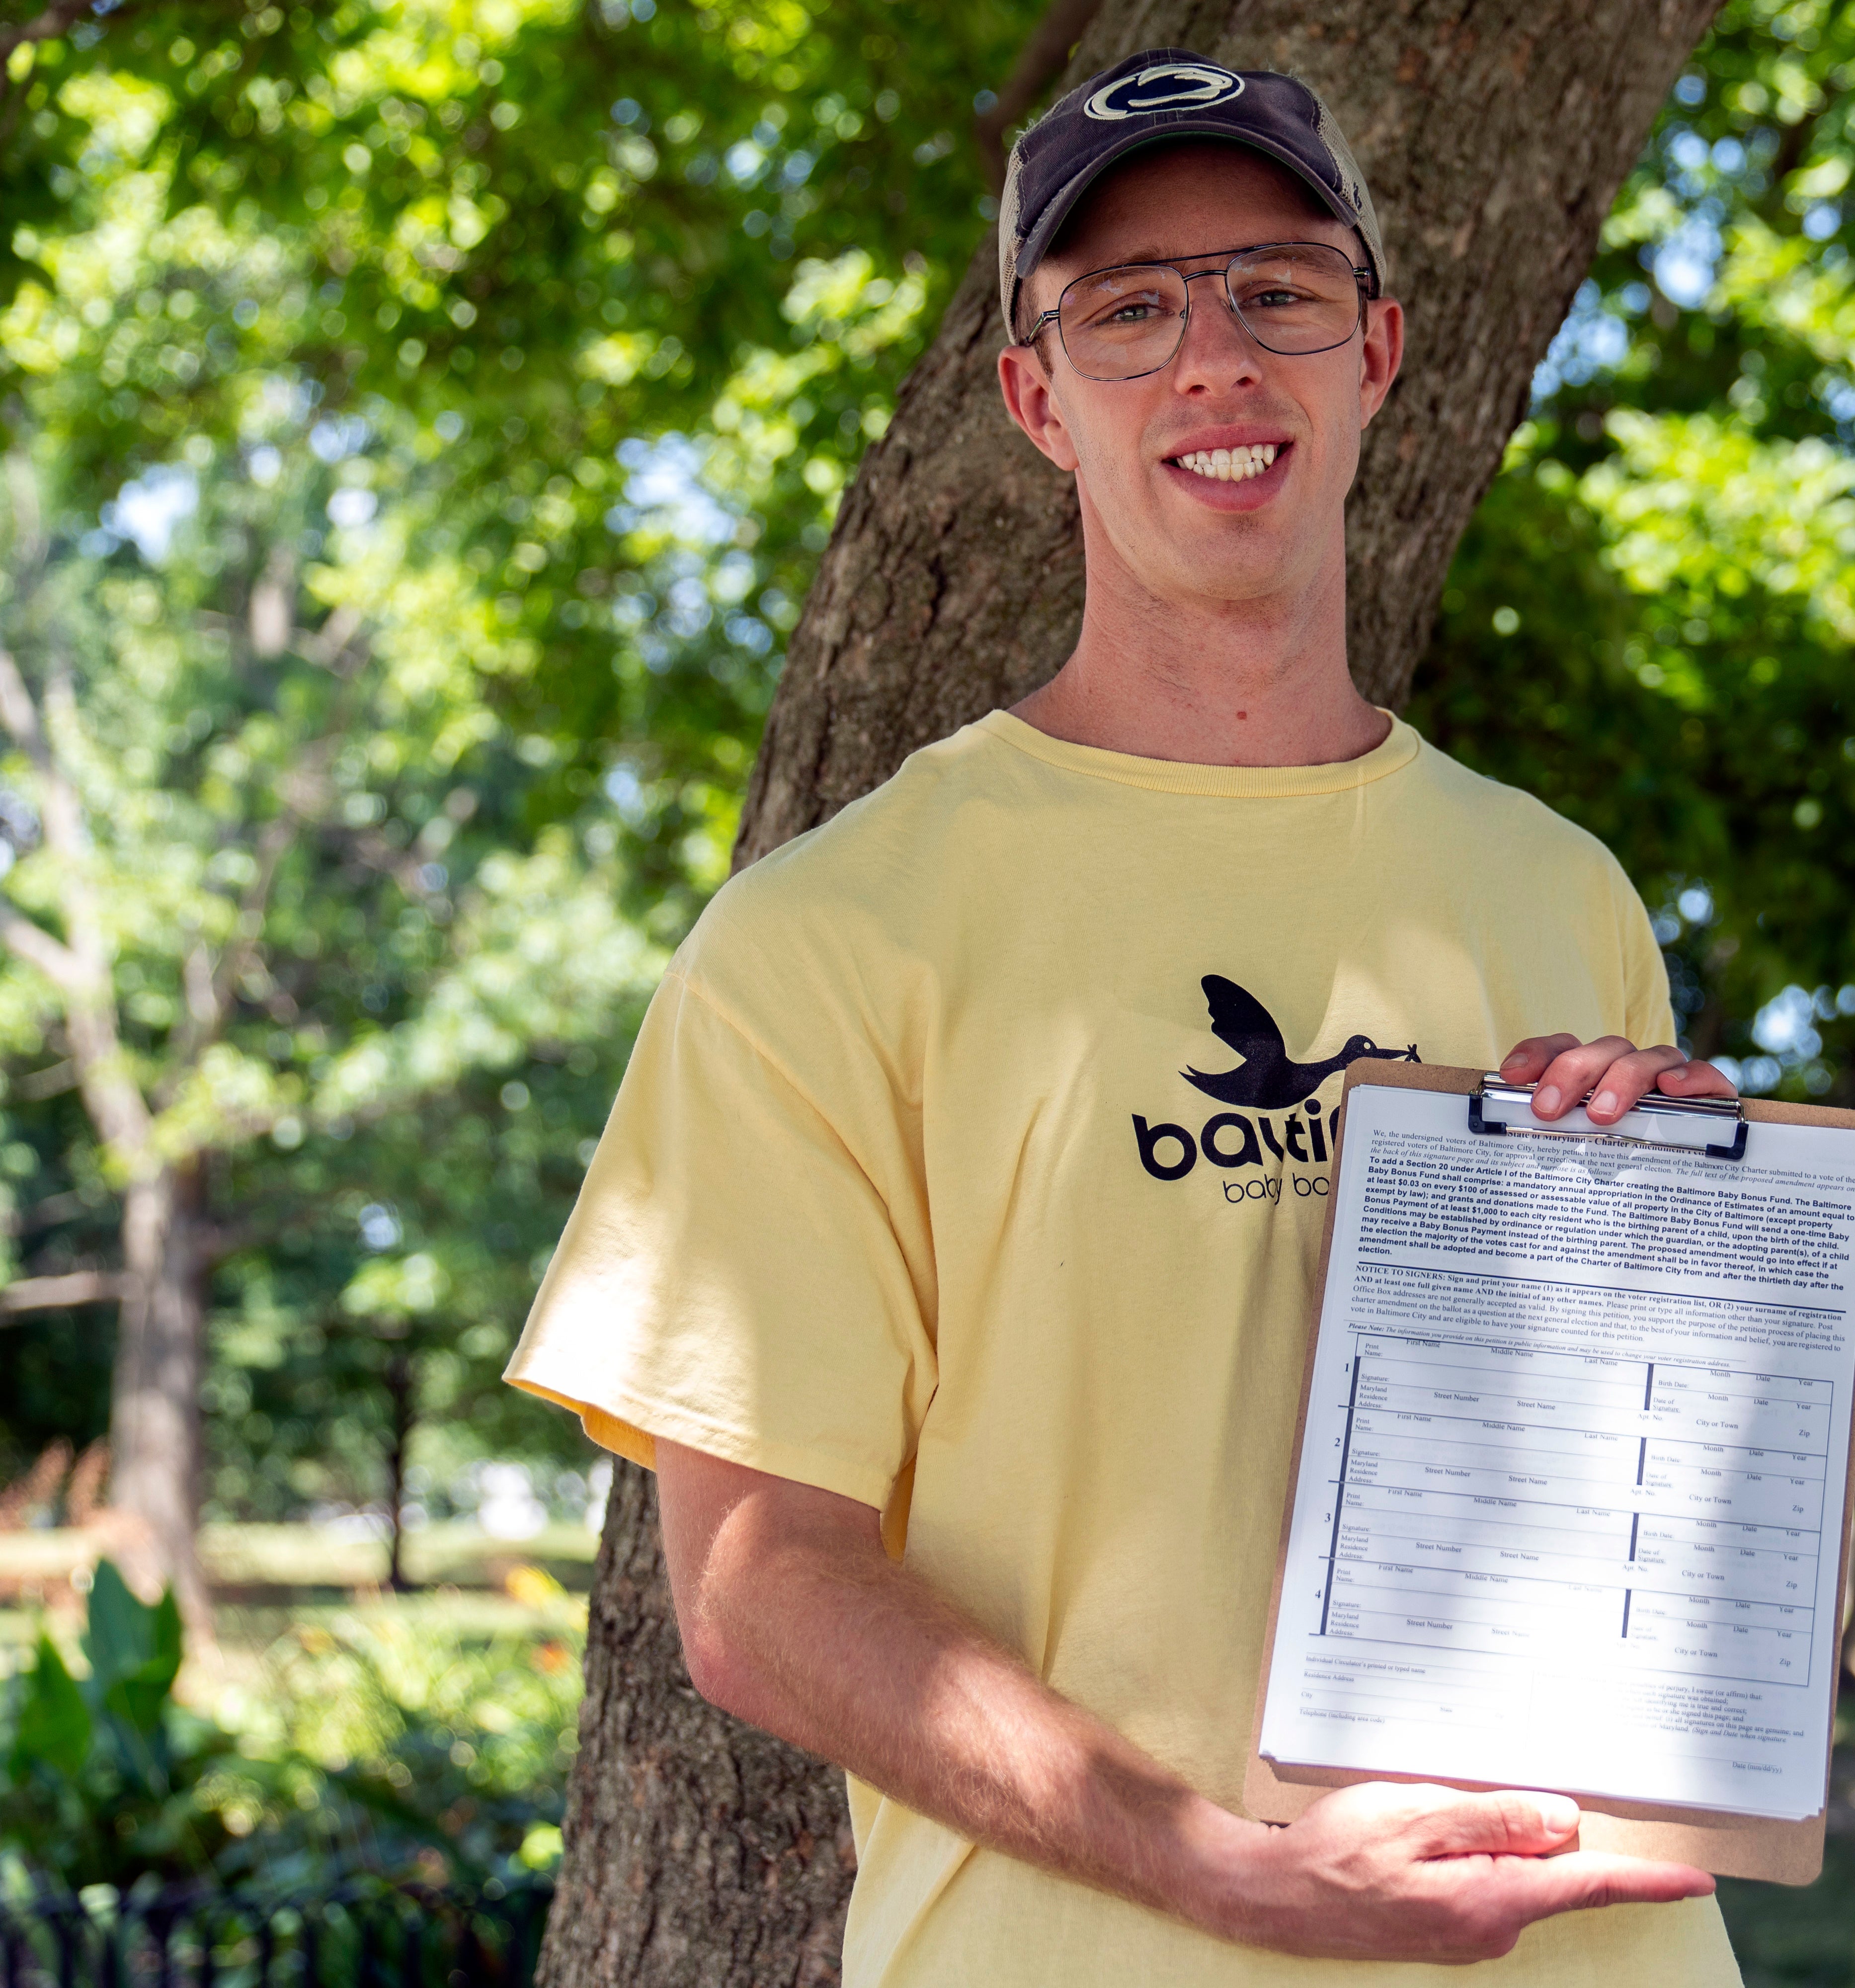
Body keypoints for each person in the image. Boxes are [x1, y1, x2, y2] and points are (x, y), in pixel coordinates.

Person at [503, 47, 1741, 1988]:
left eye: (1277, 290)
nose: (1215, 359)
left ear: (1378, 349)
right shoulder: (830, 941)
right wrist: (1236, 1872)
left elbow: (1647, 1518)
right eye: (1129, 308)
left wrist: (1682, 1250)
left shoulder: (1554, 892)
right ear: (1035, 398)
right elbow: (758, 1592)